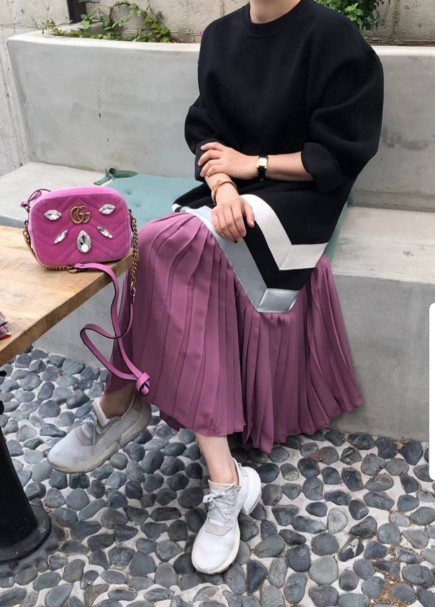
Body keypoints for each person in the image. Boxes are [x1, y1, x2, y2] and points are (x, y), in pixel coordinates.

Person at [48, 0, 384, 575]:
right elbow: (206, 134)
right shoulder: (221, 36)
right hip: (229, 191)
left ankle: (120, 401)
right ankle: (225, 477)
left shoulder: (332, 36)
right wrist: (225, 187)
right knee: (156, 240)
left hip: (298, 198)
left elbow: (340, 153)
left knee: (166, 242)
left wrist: (252, 167)